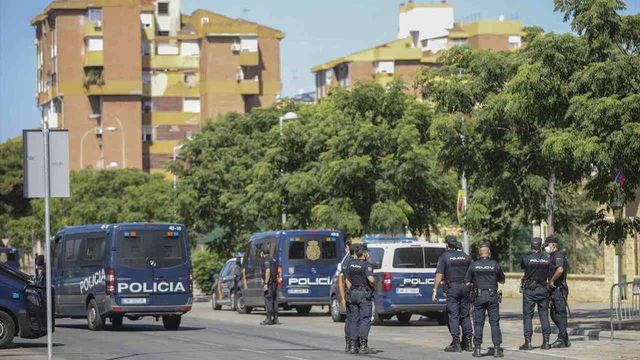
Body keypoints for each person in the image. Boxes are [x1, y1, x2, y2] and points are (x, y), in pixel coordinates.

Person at [465, 242, 505, 358]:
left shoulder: (474, 265)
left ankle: (477, 350)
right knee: (494, 323)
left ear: (479, 253)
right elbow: (502, 280)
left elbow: (467, 282)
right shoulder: (495, 264)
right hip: (492, 296)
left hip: (479, 297)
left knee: (478, 323)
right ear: (489, 253)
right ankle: (497, 350)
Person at [433, 235, 473, 352]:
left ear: (447, 245)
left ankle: (456, 343)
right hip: (465, 288)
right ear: (456, 245)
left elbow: (439, 275)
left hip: (452, 289)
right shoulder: (467, 257)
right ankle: (468, 343)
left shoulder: (444, 257)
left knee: (453, 315)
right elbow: (473, 272)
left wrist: (435, 290)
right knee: (465, 316)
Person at [519, 237, 551, 350]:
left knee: (528, 316)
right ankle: (546, 342)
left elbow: (523, 267)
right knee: (544, 315)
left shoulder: (526, 258)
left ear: (531, 246)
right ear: (541, 246)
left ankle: (528, 343)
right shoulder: (547, 259)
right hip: (543, 290)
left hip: (530, 292)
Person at [345, 244, 375, 354]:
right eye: (366, 252)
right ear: (364, 253)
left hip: (353, 293)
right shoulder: (366, 265)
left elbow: (347, 280)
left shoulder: (351, 264)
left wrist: (352, 290)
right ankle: (363, 345)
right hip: (364, 294)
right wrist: (374, 285)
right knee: (365, 319)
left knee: (354, 319)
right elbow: (371, 279)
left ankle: (353, 346)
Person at [546, 236, 571, 348]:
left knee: (560, 314)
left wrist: (552, 280)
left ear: (553, 245)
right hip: (553, 289)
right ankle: (564, 337)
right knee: (553, 314)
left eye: (547, 245)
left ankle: (561, 339)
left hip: (559, 289)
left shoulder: (558, 255)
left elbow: (560, 270)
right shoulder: (551, 256)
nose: (546, 247)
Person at [341, 242, 357, 353]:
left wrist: (342, 297)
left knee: (349, 319)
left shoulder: (344, 262)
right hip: (353, 293)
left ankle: (348, 343)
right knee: (355, 319)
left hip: (347, 294)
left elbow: (340, 281)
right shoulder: (353, 263)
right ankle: (353, 343)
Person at [260, 243, 278, 325]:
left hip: (269, 283)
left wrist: (265, 283)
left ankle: (269, 319)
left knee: (268, 300)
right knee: (274, 300)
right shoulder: (273, 259)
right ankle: (275, 318)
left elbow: (267, 271)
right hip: (274, 283)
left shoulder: (266, 259)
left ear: (262, 252)